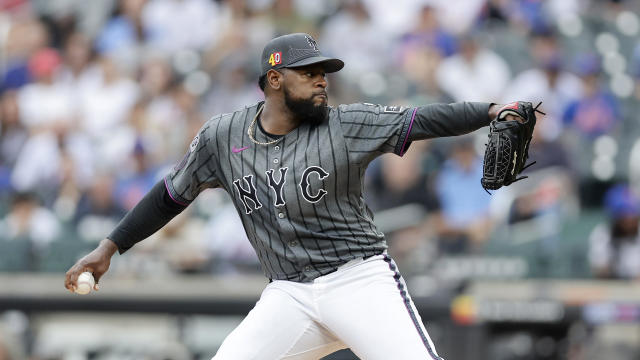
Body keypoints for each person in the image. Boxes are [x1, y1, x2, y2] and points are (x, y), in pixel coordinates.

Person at [65, 33, 531, 360]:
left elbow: (422, 118)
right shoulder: (222, 137)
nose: (322, 80)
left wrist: (491, 110)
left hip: (358, 280)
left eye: (324, 72)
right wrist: (110, 247)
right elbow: (170, 195)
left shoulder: (344, 124)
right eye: (309, 73)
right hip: (288, 293)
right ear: (274, 79)